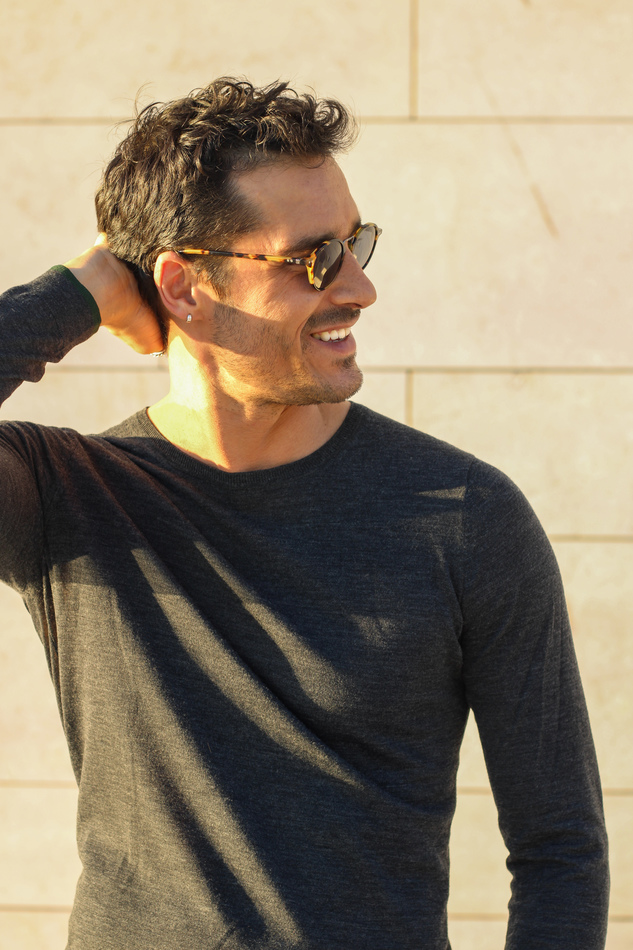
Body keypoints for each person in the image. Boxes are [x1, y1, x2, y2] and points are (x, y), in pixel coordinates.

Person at [0, 78, 608, 950]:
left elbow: (560, 851)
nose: (359, 288)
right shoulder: (66, 495)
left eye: (355, 243)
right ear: (182, 286)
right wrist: (80, 290)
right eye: (312, 259)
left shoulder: (462, 515)